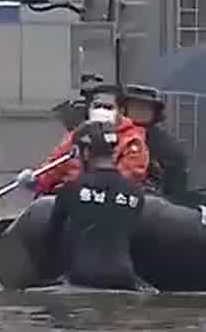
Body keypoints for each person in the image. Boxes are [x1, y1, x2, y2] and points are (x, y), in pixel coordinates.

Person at [48, 120, 144, 290]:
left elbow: (52, 239)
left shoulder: (70, 190)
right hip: (124, 278)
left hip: (82, 277)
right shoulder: (136, 193)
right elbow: (136, 238)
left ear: (85, 153)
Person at [19, 82, 151, 195]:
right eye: (97, 106)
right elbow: (54, 167)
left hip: (113, 203)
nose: (102, 111)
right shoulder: (76, 136)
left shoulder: (132, 140)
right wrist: (35, 180)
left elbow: (129, 178)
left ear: (121, 111)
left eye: (108, 107)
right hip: (72, 201)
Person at [121, 83, 191, 198]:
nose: (139, 111)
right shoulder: (107, 137)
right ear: (124, 109)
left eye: (145, 107)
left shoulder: (168, 147)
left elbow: (177, 192)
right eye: (135, 106)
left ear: (155, 112)